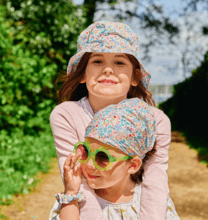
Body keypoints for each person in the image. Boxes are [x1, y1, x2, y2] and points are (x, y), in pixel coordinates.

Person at [49, 20, 174, 220]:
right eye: (97, 61)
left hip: (141, 209)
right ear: (82, 74)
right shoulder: (66, 115)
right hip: (83, 208)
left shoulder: (156, 120)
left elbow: (155, 178)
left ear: (135, 77)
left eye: (119, 62)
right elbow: (77, 179)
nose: (108, 69)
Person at [50, 98, 180, 220]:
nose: (89, 164)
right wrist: (71, 192)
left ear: (133, 165)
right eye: (86, 151)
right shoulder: (75, 200)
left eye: (102, 157)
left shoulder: (150, 204)